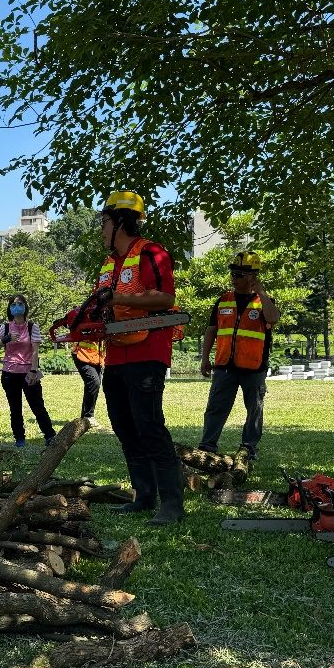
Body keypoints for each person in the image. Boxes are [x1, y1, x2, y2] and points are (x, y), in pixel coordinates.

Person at [96, 191, 185, 525]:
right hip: (116, 355)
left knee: (148, 424)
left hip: (147, 352)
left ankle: (172, 504)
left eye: (104, 222)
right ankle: (144, 495)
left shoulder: (152, 253)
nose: (102, 229)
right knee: (123, 424)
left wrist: (118, 298)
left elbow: (165, 298)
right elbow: (101, 303)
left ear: (120, 221)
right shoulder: (109, 263)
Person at [197, 251, 280, 461]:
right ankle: (207, 445)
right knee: (215, 408)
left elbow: (273, 318)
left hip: (254, 367)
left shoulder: (264, 302)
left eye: (239, 275)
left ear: (253, 277)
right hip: (224, 366)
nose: (233, 278)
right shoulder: (223, 300)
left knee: (254, 409)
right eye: (232, 274)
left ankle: (249, 447)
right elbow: (211, 330)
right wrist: (205, 358)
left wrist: (261, 292)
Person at [0, 294, 56, 449]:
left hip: (28, 373)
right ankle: (19, 438)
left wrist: (33, 371)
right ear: (9, 308)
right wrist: (6, 338)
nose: (16, 307)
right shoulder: (6, 327)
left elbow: (35, 351)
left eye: (20, 304)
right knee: (15, 408)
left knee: (37, 406)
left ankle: (50, 435)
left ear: (25, 307)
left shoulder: (32, 327)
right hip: (9, 373)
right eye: (13, 304)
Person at [72, 339, 104, 427]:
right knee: (94, 382)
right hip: (81, 354)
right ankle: (88, 416)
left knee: (92, 384)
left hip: (96, 357)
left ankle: (85, 417)